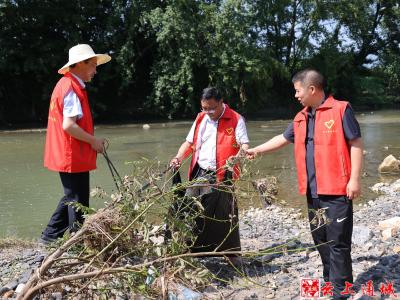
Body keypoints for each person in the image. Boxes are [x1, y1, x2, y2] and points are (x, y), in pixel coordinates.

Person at [246, 69, 363, 299]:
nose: (296, 95)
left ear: (312, 89)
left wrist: (355, 179)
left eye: (298, 91)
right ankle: (332, 284)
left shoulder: (340, 109)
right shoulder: (301, 117)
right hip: (313, 191)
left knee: (338, 242)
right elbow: (283, 138)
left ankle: (342, 292)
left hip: (337, 189)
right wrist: (256, 150)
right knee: (320, 240)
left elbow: (356, 142)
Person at [40, 44, 111, 244]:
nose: (95, 71)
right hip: (71, 153)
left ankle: (49, 237)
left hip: (68, 152)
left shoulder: (65, 84)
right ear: (80, 64)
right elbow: (69, 126)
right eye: (93, 65)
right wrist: (94, 141)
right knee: (78, 201)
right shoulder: (71, 88)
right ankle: (77, 243)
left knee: (72, 196)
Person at [170, 87, 249, 255]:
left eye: (211, 108)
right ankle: (189, 249)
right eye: (204, 108)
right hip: (200, 172)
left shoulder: (235, 119)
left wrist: (236, 159)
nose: (208, 112)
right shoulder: (201, 119)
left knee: (225, 215)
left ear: (221, 102)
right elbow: (189, 143)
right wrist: (178, 157)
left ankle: (230, 253)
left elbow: (244, 146)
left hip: (222, 175)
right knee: (190, 209)